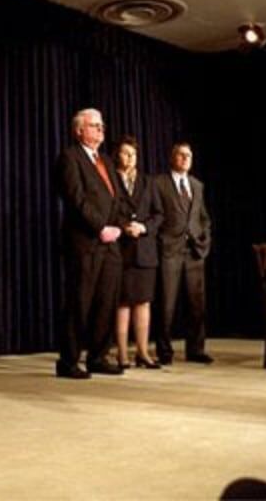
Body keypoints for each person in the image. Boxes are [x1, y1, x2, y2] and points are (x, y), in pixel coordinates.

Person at [55, 108, 125, 379]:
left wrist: (117, 226)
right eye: (94, 126)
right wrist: (100, 227)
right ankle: (69, 361)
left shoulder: (106, 160)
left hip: (111, 244)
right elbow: (76, 199)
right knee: (79, 303)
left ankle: (98, 356)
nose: (100, 130)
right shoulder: (69, 157)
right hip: (84, 242)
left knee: (106, 302)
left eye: (102, 126)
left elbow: (117, 198)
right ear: (79, 130)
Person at [155, 142, 213, 365]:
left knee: (197, 305)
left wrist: (205, 240)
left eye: (188, 155)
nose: (185, 158)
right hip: (170, 251)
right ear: (172, 158)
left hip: (194, 253)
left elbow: (203, 217)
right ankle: (164, 351)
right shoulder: (159, 183)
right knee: (166, 304)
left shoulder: (197, 185)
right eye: (180, 155)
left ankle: (196, 349)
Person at [113, 136, 164, 369]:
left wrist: (144, 227)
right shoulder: (111, 179)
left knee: (143, 302)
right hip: (121, 249)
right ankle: (122, 354)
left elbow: (158, 214)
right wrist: (125, 227)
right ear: (118, 155)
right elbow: (108, 210)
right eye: (125, 153)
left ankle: (142, 352)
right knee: (122, 303)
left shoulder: (148, 181)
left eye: (133, 154)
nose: (130, 158)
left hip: (145, 251)